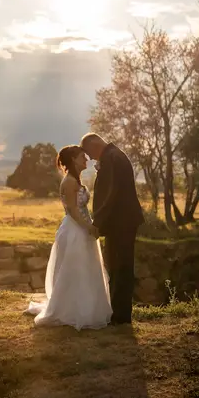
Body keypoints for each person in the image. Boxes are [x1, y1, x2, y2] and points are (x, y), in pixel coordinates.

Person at [26, 145, 112, 330]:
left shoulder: (76, 180)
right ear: (73, 159)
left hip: (82, 227)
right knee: (76, 268)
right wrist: (89, 227)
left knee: (86, 267)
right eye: (83, 157)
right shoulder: (70, 182)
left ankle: (88, 308)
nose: (86, 160)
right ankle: (74, 310)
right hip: (75, 230)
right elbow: (73, 210)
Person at [80, 133, 144, 325]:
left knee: (121, 267)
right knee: (117, 266)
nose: (90, 159)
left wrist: (97, 222)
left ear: (95, 144)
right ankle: (117, 312)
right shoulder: (113, 156)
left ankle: (121, 316)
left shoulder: (112, 158)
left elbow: (111, 193)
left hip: (122, 223)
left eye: (89, 153)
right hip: (120, 222)